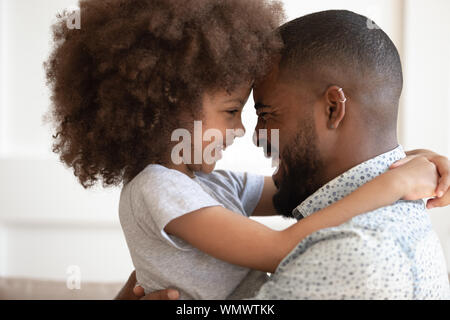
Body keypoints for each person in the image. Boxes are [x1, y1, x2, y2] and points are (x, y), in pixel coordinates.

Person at [43, 1, 450, 300]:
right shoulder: (157, 188)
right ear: (168, 105)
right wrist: (396, 179)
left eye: (261, 112)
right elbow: (278, 249)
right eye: (232, 111)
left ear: (333, 108)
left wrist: (411, 159)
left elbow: (295, 193)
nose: (245, 132)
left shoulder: (210, 185)